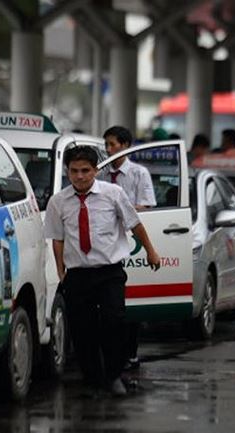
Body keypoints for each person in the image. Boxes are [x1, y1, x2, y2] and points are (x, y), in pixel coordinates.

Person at [44, 145, 160, 396]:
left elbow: (134, 224)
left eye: (85, 170)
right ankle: (93, 378)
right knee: (82, 328)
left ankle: (114, 374)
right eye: (74, 171)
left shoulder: (113, 193)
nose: (80, 176)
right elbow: (57, 237)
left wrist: (151, 250)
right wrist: (60, 270)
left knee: (114, 322)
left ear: (96, 170)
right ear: (67, 172)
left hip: (109, 272)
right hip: (78, 274)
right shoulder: (58, 201)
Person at [98, 126, 156, 376]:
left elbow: (147, 205)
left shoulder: (138, 173)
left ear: (125, 145)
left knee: (129, 303)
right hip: (104, 242)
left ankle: (129, 353)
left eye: (112, 144)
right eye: (106, 145)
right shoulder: (99, 174)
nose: (108, 149)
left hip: (129, 240)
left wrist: (123, 209)